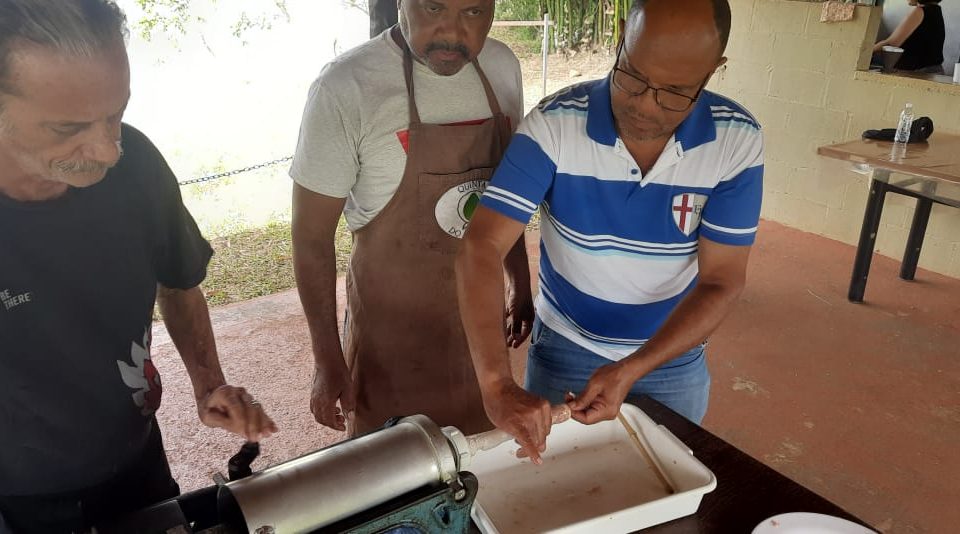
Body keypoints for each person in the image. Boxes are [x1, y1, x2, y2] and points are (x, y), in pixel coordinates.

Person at [0, 1, 277, 531]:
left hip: (134, 463)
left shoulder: (138, 168)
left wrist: (208, 385)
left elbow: (178, 281)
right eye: (68, 128)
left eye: (116, 114)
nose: (106, 150)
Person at [457, 0, 763, 463]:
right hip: (565, 346)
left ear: (713, 71)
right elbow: (481, 247)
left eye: (675, 92)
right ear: (622, 36)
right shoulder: (554, 124)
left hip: (672, 360)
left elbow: (722, 280)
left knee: (663, 491)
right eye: (633, 76)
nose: (644, 105)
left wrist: (634, 367)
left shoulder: (736, 140)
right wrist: (497, 385)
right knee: (555, 489)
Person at [291, 0, 532, 436]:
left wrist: (520, 279)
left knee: (484, 479)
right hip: (389, 351)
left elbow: (504, 194)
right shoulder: (346, 86)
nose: (452, 33)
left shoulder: (502, 67)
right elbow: (311, 236)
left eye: (473, 12)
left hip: (480, 352)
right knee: (391, 485)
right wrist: (327, 358)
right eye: (433, 7)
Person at [873, 0, 945, 74]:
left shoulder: (919, 12)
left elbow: (891, 44)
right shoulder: (935, 10)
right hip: (930, 72)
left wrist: (867, 51)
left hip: (920, 74)